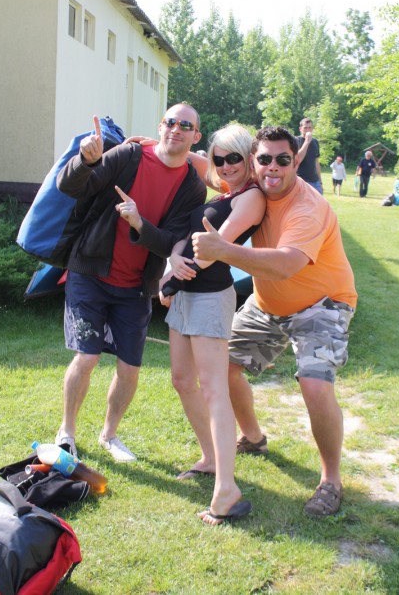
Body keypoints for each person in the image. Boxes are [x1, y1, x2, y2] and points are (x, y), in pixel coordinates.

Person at [192, 125, 358, 517]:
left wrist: (222, 250)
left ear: (296, 161)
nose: (273, 167)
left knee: (314, 384)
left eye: (283, 159)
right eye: (264, 159)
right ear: (254, 161)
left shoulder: (308, 207)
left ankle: (331, 480)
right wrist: (155, 144)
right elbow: (208, 167)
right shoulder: (254, 185)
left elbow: (285, 264)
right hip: (268, 304)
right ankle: (253, 437)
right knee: (222, 368)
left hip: (322, 305)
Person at [55, 103, 207, 461]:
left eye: (185, 125)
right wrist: (85, 160)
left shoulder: (192, 187)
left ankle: (109, 435)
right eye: (171, 122)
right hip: (90, 272)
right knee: (87, 356)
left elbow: (171, 242)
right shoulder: (128, 156)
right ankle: (67, 432)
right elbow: (70, 186)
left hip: (137, 287)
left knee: (129, 369)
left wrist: (139, 223)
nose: (176, 129)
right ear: (161, 126)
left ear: (196, 136)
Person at [159, 124, 266, 525]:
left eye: (233, 158)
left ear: (248, 158)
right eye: (219, 159)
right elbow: (191, 159)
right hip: (185, 294)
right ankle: (209, 458)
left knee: (213, 389)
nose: (225, 165)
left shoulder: (251, 197)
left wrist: (172, 278)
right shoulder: (224, 191)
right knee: (182, 380)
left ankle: (227, 489)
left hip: (208, 296)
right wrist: (172, 262)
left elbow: (215, 248)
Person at [296, 117, 323, 194]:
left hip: (315, 181)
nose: (308, 130)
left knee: (319, 201)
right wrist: (307, 142)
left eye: (309, 127)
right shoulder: (296, 141)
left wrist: (320, 181)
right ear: (300, 129)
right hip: (301, 181)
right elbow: (298, 159)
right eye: (305, 128)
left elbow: (316, 162)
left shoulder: (315, 142)